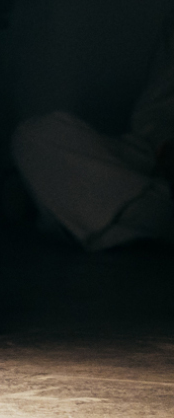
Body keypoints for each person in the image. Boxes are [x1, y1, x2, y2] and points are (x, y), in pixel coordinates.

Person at [12, 17, 174, 251]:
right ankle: (146, 216)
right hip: (153, 165)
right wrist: (165, 145)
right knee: (34, 134)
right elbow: (155, 114)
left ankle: (118, 219)